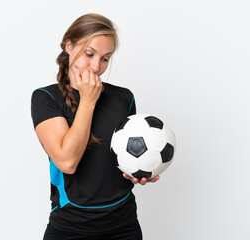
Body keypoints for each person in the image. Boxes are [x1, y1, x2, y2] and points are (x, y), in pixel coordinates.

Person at [31, 13, 159, 240]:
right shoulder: (45, 98)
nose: (96, 67)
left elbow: (122, 159)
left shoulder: (124, 97)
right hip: (70, 228)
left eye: (105, 59)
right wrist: (88, 101)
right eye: (89, 54)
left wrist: (139, 170)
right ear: (68, 45)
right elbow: (67, 162)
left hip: (124, 226)